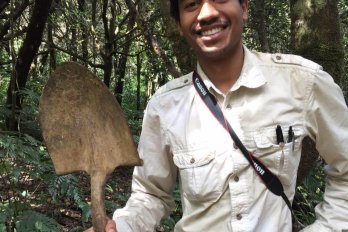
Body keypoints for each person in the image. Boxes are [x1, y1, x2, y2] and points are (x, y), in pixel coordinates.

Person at [87, 0, 348, 231]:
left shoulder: (301, 82)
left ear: (244, 7)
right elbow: (151, 194)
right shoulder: (165, 106)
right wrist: (122, 226)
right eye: (191, 5)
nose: (207, 13)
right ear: (180, 24)